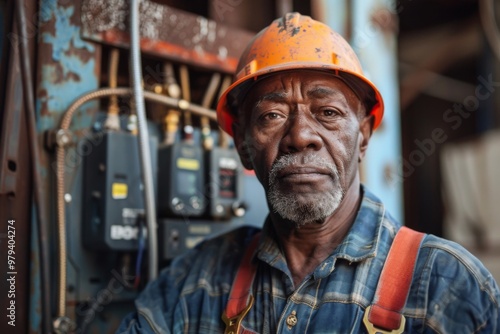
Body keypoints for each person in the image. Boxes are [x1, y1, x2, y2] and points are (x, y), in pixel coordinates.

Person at [117, 13, 500, 333]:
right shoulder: (193, 283)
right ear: (243, 146)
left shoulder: (446, 285)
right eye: (272, 116)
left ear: (363, 135)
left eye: (328, 113)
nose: (300, 137)